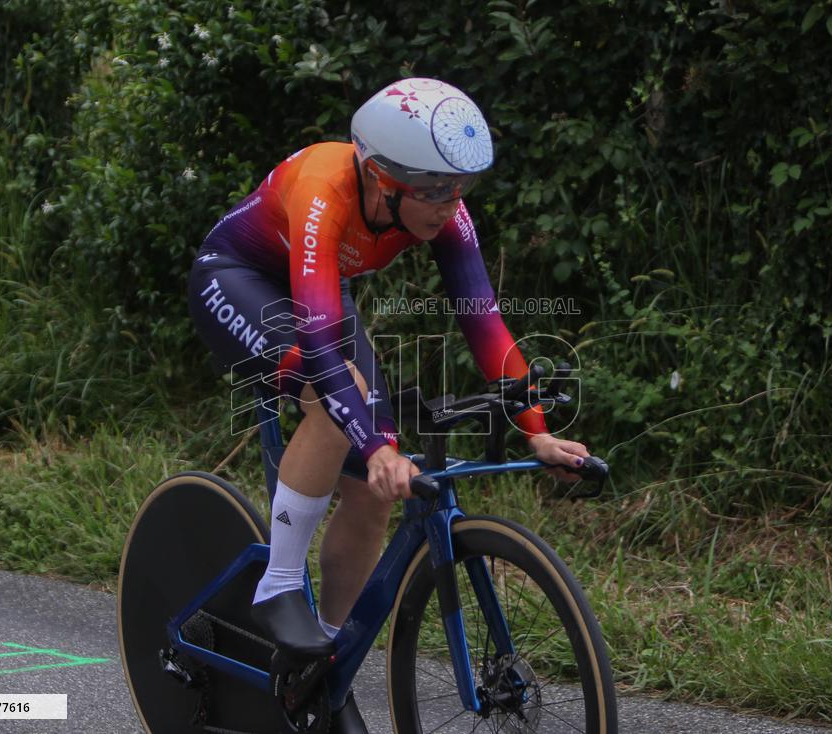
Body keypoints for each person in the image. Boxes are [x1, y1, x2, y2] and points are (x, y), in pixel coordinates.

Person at [187, 77, 589, 733]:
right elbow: (319, 348)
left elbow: (485, 324)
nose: (446, 204)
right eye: (430, 188)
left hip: (315, 294)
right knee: (339, 400)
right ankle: (278, 583)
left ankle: (321, 665)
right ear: (378, 176)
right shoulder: (325, 188)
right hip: (235, 279)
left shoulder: (445, 213)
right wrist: (374, 445)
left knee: (377, 488)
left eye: (457, 187)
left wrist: (537, 432)